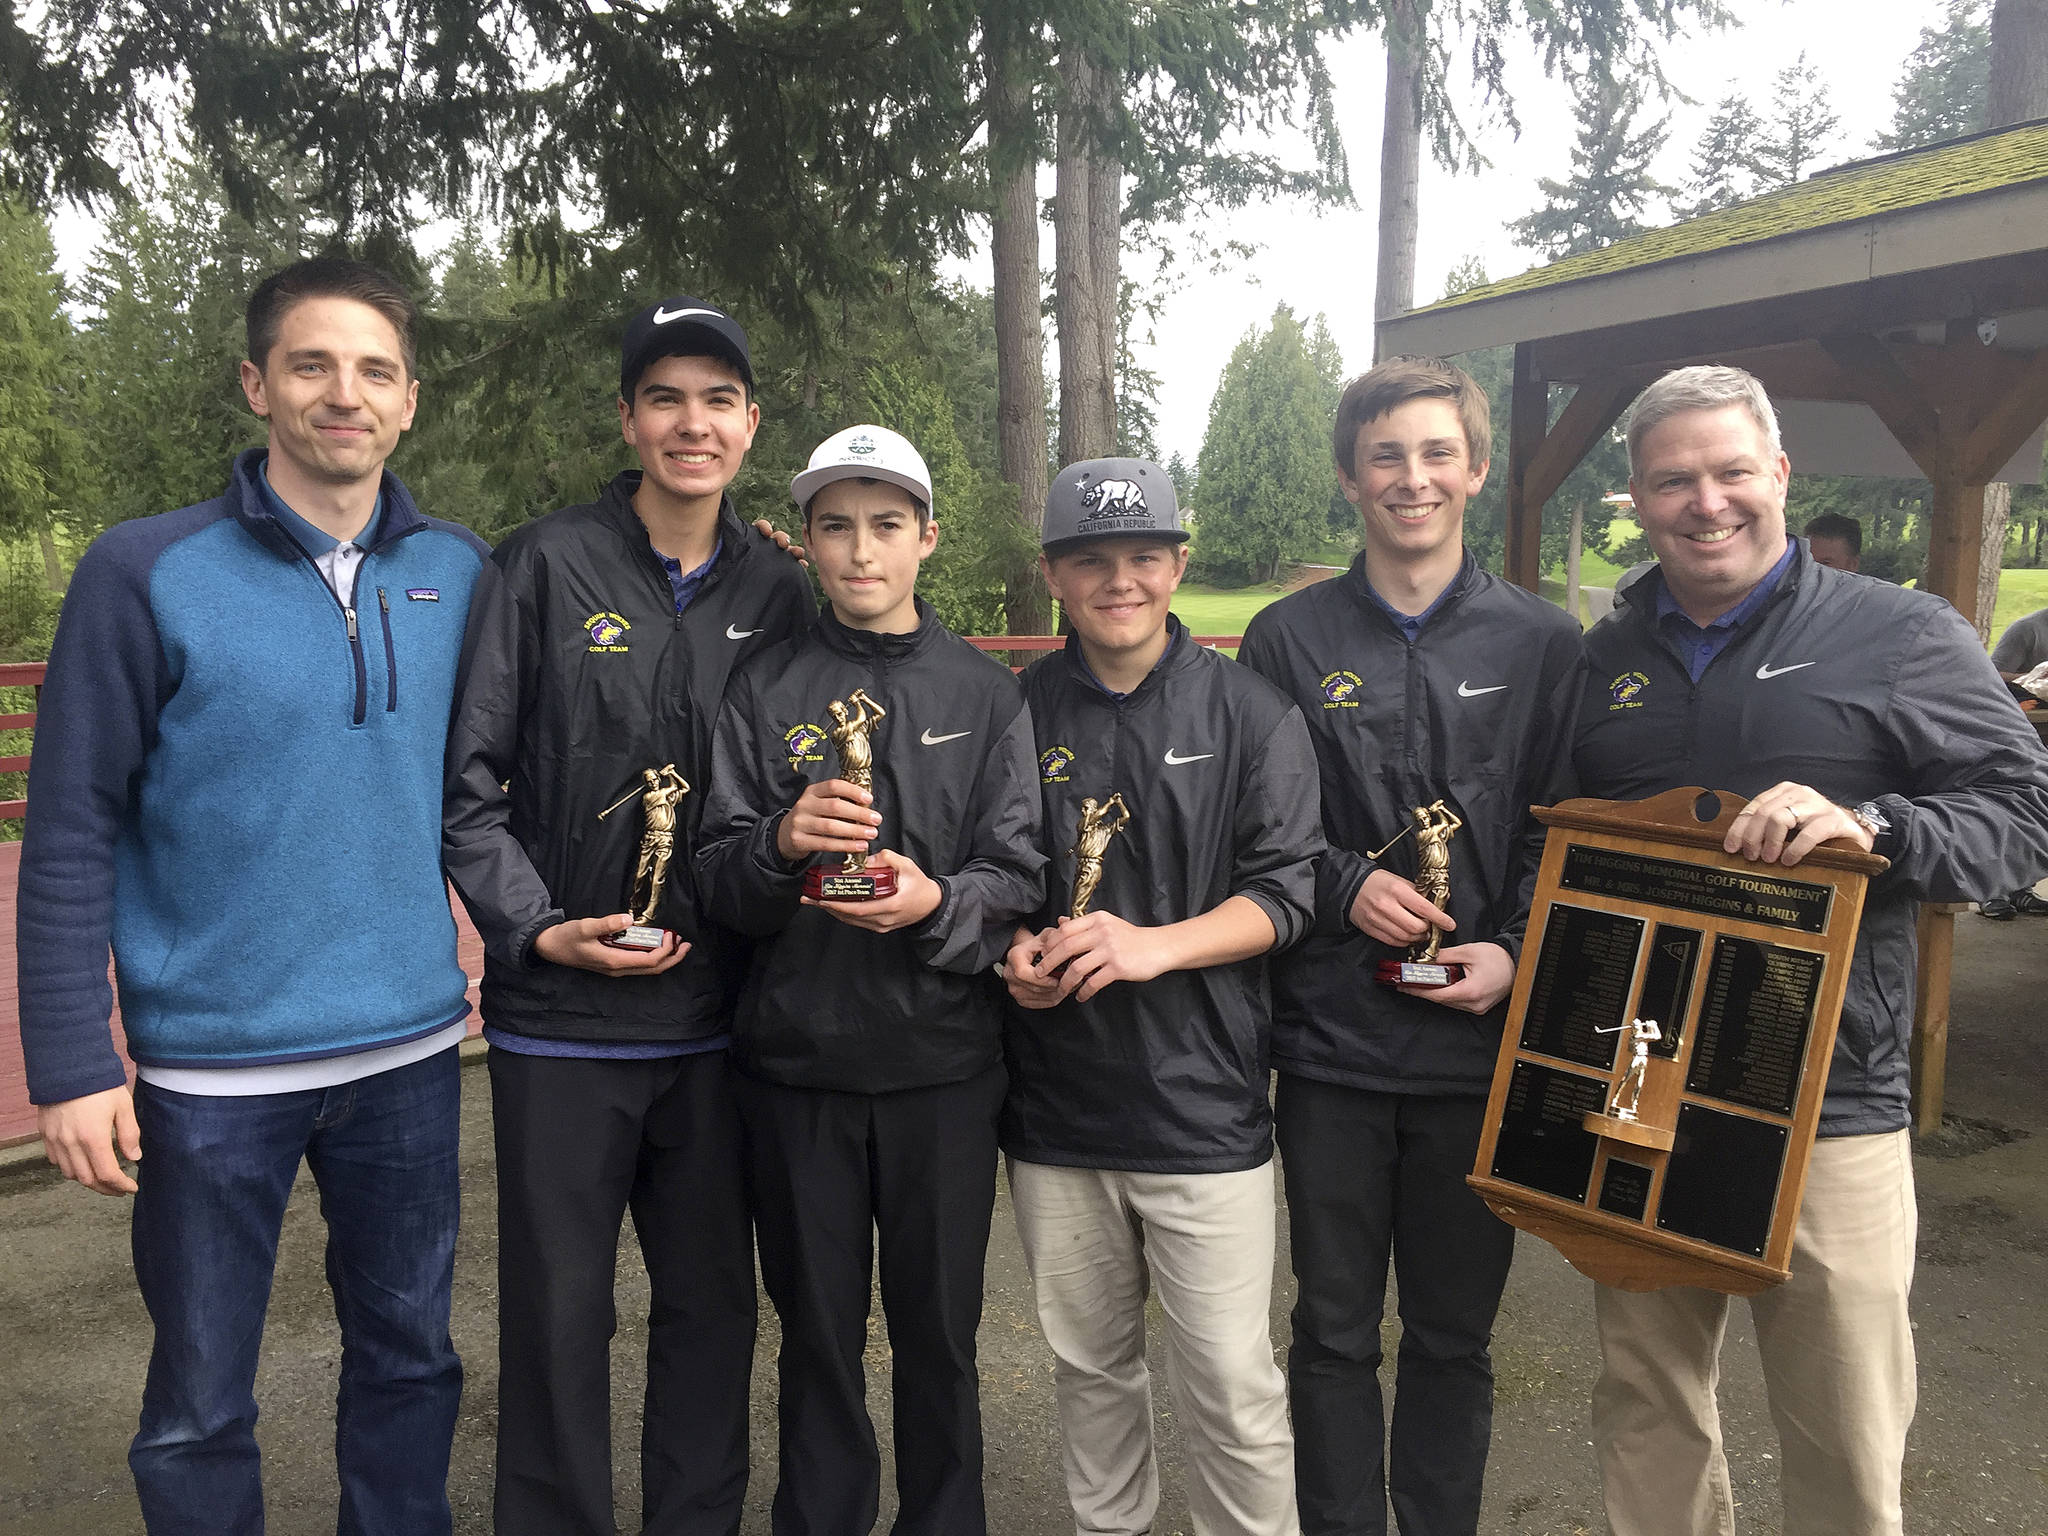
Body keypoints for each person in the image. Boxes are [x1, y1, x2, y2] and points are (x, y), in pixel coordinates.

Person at [18, 258, 487, 1534]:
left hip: (409, 1053)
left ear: (408, 402)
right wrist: (71, 1063)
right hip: (210, 1077)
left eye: (375, 370)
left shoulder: (461, 573)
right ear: (256, 384)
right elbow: (70, 828)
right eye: (311, 364)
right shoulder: (145, 571)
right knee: (198, 1404)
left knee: (412, 1366)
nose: (345, 393)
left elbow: (505, 788)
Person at [1572, 363, 2048, 1536]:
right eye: (1671, 481)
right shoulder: (1603, 655)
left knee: (1842, 1428)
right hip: (1639, 1081)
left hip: (1827, 1098)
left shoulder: (1899, 632)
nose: (1705, 502)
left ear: (1778, 473)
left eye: (1729, 471)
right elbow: (1559, 849)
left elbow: (2022, 814)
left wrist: (1877, 828)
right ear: (1637, 498)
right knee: (1645, 1406)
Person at [442, 296, 815, 1536]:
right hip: (561, 1022)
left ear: (749, 424)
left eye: (717, 400)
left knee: (711, 1309)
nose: (690, 424)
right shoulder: (541, 565)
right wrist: (535, 928)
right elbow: (468, 789)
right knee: (558, 1315)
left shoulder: (782, 584)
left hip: (721, 1022)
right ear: (626, 418)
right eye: (665, 398)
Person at [1238, 355, 1585, 1536]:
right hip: (1330, 1047)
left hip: (1475, 1053)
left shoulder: (1544, 642)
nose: (1411, 477)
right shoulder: (1285, 639)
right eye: (1383, 455)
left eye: (1437, 452)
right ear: (1349, 478)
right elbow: (1259, 827)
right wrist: (1343, 887)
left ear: (1476, 470)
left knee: (1451, 1336)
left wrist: (1518, 953)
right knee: (1330, 1331)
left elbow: (1559, 826)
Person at [695, 424, 1046, 1536]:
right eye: (836, 526)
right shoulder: (764, 686)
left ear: (926, 538)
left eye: (886, 525)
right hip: (796, 1069)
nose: (860, 550)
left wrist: (937, 904)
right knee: (816, 1339)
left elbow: (1018, 873)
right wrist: (780, 842)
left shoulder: (985, 694)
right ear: (804, 541)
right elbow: (715, 875)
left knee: (940, 1339)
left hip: (943, 1070)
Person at [1001, 457, 1323, 1536]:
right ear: (1053, 574)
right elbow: (989, 876)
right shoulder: (1015, 710)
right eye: (1090, 560)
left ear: (1179, 564)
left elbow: (1289, 892)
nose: (1120, 581)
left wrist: (1154, 948)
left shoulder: (1251, 711)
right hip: (1056, 1110)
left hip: (1203, 1109)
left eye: (1143, 555)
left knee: (1229, 1384)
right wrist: (1009, 952)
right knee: (1090, 1372)